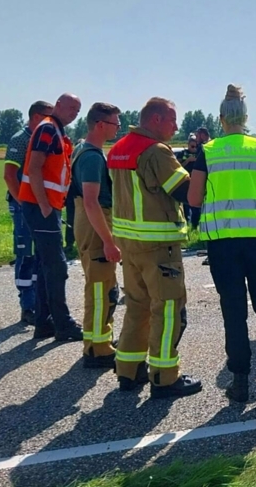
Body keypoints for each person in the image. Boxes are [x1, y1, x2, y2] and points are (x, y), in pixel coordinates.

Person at [188, 84, 256, 402]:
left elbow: (194, 197)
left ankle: (241, 382)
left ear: (221, 119)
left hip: (223, 245)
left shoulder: (209, 152)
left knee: (234, 312)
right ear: (246, 118)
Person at [108, 97, 201, 399]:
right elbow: (185, 192)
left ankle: (129, 369)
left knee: (137, 306)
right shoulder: (157, 152)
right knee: (169, 308)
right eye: (173, 120)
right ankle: (163, 376)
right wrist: (201, 169)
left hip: (129, 243)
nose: (176, 126)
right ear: (157, 120)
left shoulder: (120, 147)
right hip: (158, 245)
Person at [18, 93, 83, 341]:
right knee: (56, 266)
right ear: (58, 106)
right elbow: (34, 167)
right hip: (41, 206)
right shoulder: (48, 129)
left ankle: (45, 323)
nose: (73, 113)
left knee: (48, 266)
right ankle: (62, 324)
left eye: (77, 110)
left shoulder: (54, 130)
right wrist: (45, 206)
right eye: (70, 108)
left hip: (45, 206)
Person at [68, 102, 122, 369]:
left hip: (87, 221)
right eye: (115, 124)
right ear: (101, 124)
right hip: (94, 222)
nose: (118, 128)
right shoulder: (91, 157)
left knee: (98, 285)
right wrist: (109, 242)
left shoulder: (83, 149)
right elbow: (91, 201)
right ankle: (98, 348)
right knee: (102, 288)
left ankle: (96, 341)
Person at [2, 100, 52, 325]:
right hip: (24, 206)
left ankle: (39, 304)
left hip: (41, 204)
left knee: (41, 256)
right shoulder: (20, 139)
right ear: (35, 116)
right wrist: (22, 203)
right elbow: (9, 175)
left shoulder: (45, 138)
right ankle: (27, 306)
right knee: (26, 255)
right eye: (47, 117)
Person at [176, 134, 201, 230]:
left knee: (196, 205)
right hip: (185, 181)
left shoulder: (200, 154)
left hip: (196, 182)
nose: (194, 148)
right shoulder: (182, 154)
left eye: (195, 146)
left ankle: (195, 226)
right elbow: (177, 167)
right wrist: (188, 161)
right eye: (192, 146)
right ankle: (186, 224)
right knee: (186, 205)